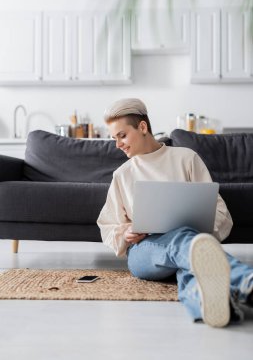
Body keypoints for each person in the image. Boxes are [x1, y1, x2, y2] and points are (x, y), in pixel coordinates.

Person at [97, 98, 253, 328]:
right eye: (114, 139)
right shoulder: (123, 174)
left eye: (122, 135)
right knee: (186, 242)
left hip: (191, 244)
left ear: (142, 127)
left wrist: (197, 234)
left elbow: (220, 212)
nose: (118, 144)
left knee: (189, 264)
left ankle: (215, 303)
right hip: (145, 253)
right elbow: (108, 225)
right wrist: (126, 234)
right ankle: (244, 279)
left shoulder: (186, 158)